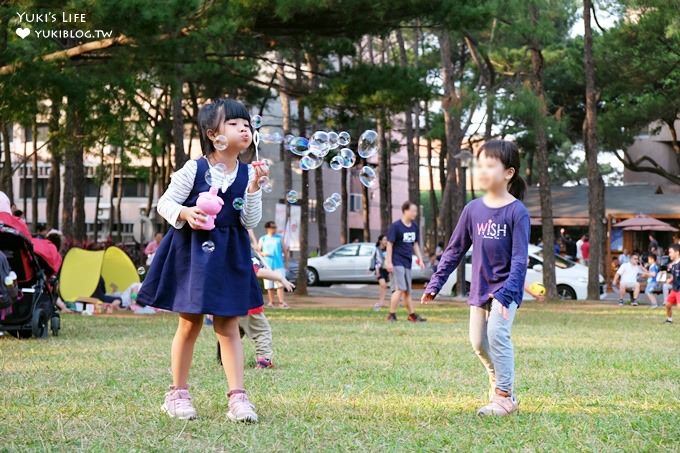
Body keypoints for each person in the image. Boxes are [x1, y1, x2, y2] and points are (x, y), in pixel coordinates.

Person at [136, 98, 268, 423]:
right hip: (192, 253)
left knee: (229, 325)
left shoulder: (249, 173)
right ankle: (177, 393)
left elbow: (249, 221)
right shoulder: (194, 169)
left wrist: (252, 189)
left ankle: (238, 398)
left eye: (247, 124)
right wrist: (185, 212)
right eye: (235, 124)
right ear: (213, 134)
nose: (244, 128)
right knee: (189, 323)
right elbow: (164, 203)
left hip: (229, 254)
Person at [422, 139, 530, 417]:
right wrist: (436, 283)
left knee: (497, 334)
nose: (482, 171)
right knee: (478, 343)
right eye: (479, 165)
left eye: (490, 165)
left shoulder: (517, 211)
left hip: (506, 290)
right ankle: (499, 386)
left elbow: (520, 258)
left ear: (509, 173)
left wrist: (508, 294)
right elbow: (455, 249)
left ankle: (504, 397)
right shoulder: (473, 209)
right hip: (480, 288)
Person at [216, 256, 295, 369]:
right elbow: (258, 271)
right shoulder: (244, 257)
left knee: (231, 332)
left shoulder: (223, 258)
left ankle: (226, 359)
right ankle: (264, 360)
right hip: (248, 305)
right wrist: (280, 278)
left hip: (229, 306)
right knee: (262, 332)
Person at [385, 200, 427, 322]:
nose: (415, 213)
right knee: (399, 288)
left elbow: (415, 244)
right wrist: (389, 262)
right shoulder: (396, 226)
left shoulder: (414, 227)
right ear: (405, 211)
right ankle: (391, 314)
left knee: (407, 290)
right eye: (413, 210)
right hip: (396, 261)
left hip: (407, 262)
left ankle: (412, 315)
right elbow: (389, 244)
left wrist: (420, 258)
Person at [258, 221, 289, 308]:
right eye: (272, 227)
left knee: (280, 284)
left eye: (275, 227)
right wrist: (264, 254)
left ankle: (281, 302)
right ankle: (271, 302)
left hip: (278, 264)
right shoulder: (263, 239)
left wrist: (286, 263)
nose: (274, 229)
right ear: (267, 228)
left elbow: (285, 251)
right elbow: (258, 251)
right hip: (267, 264)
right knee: (269, 285)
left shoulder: (279, 238)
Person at [370, 234, 389, 311]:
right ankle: (380, 302)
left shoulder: (388, 249)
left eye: (386, 240)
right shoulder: (376, 249)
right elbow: (376, 261)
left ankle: (381, 302)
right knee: (383, 285)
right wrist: (377, 271)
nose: (386, 241)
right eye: (384, 240)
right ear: (380, 241)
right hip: (379, 270)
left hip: (386, 270)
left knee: (383, 287)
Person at [664, 244, 680, 324]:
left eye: (670, 252)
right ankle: (669, 320)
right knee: (668, 305)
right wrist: (670, 280)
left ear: (677, 252)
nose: (669, 254)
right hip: (674, 289)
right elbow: (674, 276)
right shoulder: (673, 265)